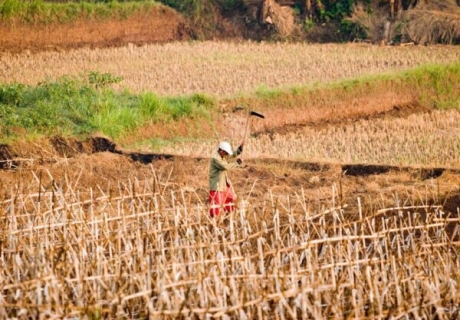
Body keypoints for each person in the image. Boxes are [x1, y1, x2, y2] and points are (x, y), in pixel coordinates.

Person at [208, 141, 244, 217]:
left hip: (224, 184)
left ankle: (228, 218)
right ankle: (215, 222)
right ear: (221, 151)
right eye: (226, 153)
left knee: (232, 199)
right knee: (216, 208)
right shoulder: (216, 159)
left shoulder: (222, 156)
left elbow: (230, 157)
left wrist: (239, 150)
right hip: (217, 187)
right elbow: (226, 167)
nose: (227, 155)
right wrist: (237, 163)